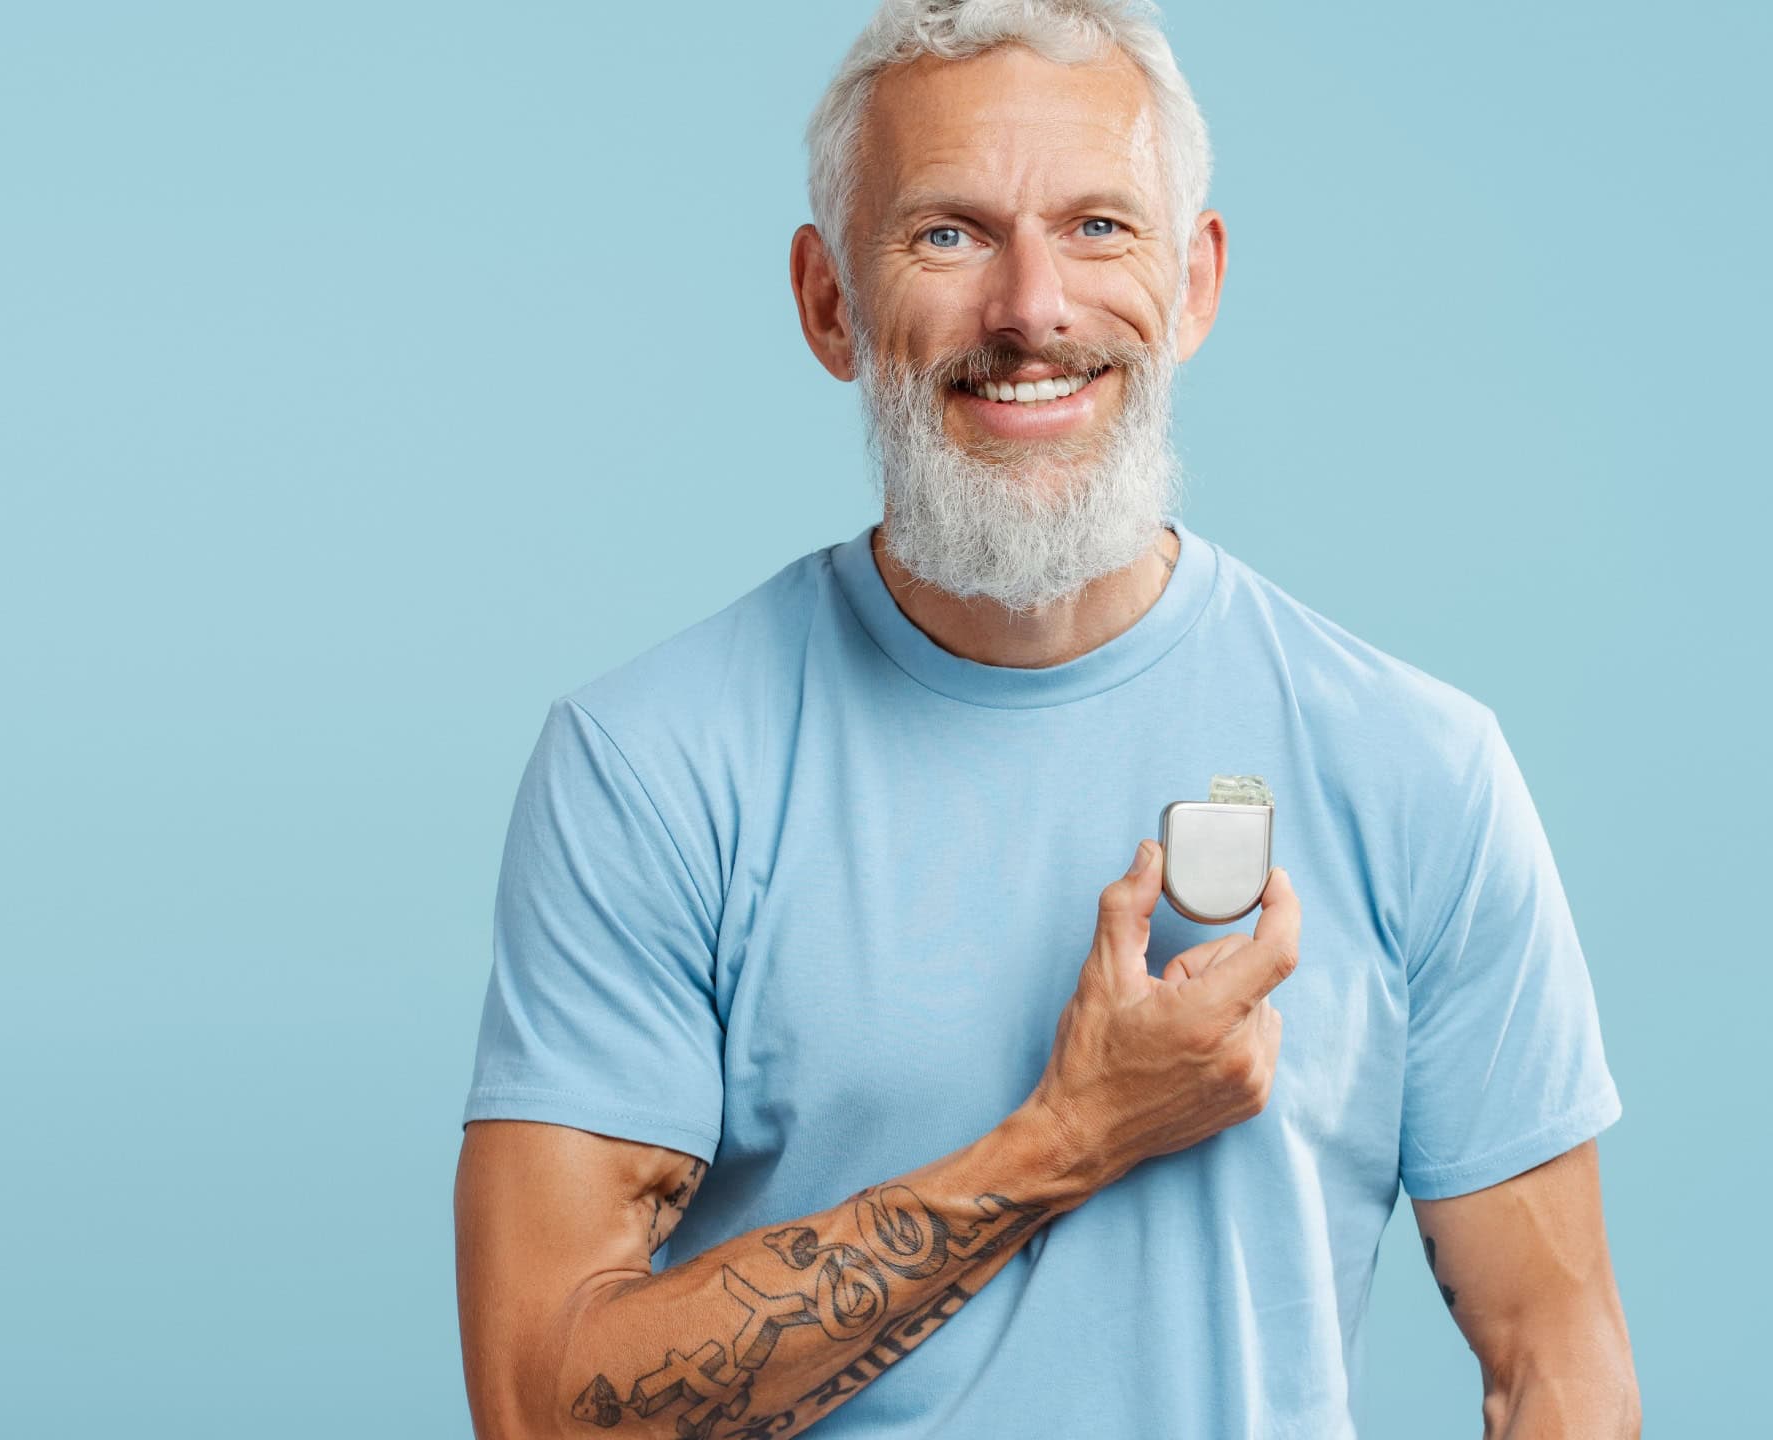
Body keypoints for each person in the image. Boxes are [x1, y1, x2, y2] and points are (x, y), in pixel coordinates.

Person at [452, 2, 1637, 1435]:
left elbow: (1555, 1365)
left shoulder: (1418, 769)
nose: (1031, 310)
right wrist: (1069, 1135)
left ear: (1193, 283)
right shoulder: (648, 771)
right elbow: (536, 1403)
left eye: (1098, 228)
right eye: (948, 233)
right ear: (830, 303)